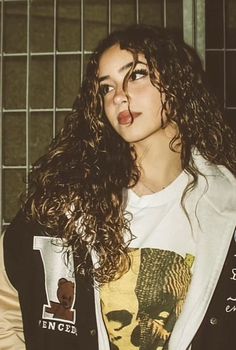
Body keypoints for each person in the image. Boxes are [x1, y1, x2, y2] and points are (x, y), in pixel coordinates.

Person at [0, 24, 235, 350]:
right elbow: (6, 298)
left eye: (136, 75)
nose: (119, 96)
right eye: (105, 88)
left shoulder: (226, 203)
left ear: (178, 82)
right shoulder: (67, 203)